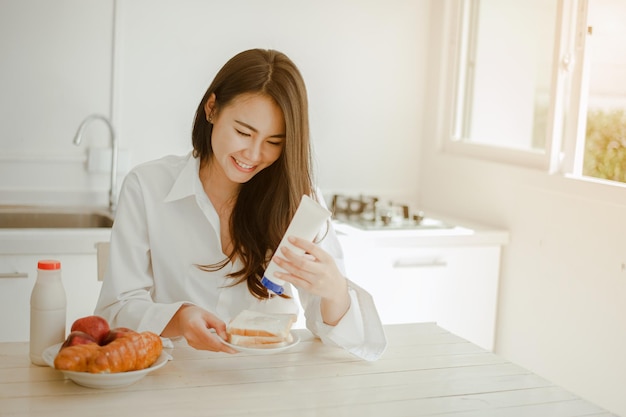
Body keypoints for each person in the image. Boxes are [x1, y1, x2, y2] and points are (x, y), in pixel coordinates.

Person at [94, 48, 387, 361]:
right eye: (243, 132)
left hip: (271, 382)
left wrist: (335, 290)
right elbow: (116, 310)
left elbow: (344, 339)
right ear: (212, 109)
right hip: (177, 379)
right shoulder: (147, 187)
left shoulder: (300, 201)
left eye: (274, 142)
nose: (254, 154)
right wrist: (178, 318)